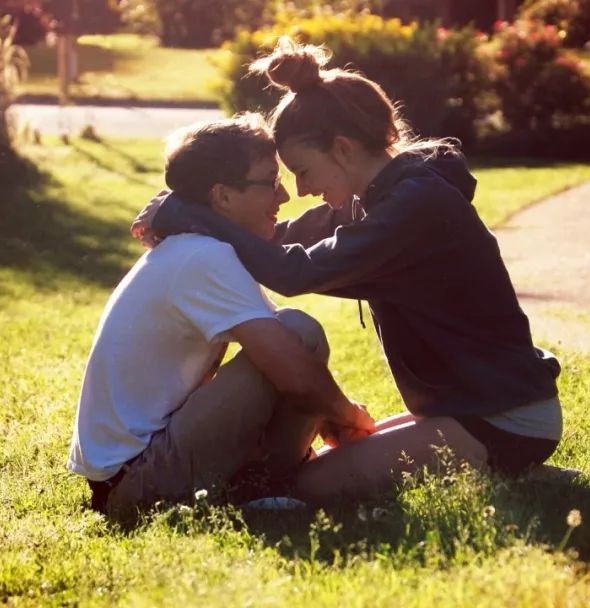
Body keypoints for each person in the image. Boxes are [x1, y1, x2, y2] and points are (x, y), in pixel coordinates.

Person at [135, 38, 563, 503]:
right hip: (467, 408)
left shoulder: (415, 205)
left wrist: (191, 216)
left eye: (302, 170)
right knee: (338, 455)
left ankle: (509, 460)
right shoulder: (379, 198)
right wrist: (205, 209)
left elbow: (294, 272)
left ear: (341, 149)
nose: (300, 190)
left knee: (310, 485)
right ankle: (508, 464)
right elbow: (276, 240)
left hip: (505, 416)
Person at [68, 114, 374, 518]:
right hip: (135, 483)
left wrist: (332, 417)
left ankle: (267, 478)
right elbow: (293, 371)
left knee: (292, 334)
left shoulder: (198, 249)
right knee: (300, 334)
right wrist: (350, 417)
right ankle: (267, 485)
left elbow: (283, 363)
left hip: (131, 471)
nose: (283, 197)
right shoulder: (203, 256)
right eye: (271, 182)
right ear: (223, 197)